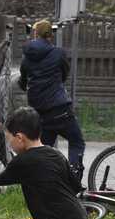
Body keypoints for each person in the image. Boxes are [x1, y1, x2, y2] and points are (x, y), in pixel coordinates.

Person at [18, 19, 86, 181]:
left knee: (44, 151)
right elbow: (64, 75)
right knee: (76, 141)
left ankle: (42, 183)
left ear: (35, 34)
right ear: (50, 35)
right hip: (60, 109)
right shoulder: (58, 53)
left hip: (40, 113)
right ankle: (74, 178)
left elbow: (23, 82)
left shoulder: (26, 58)